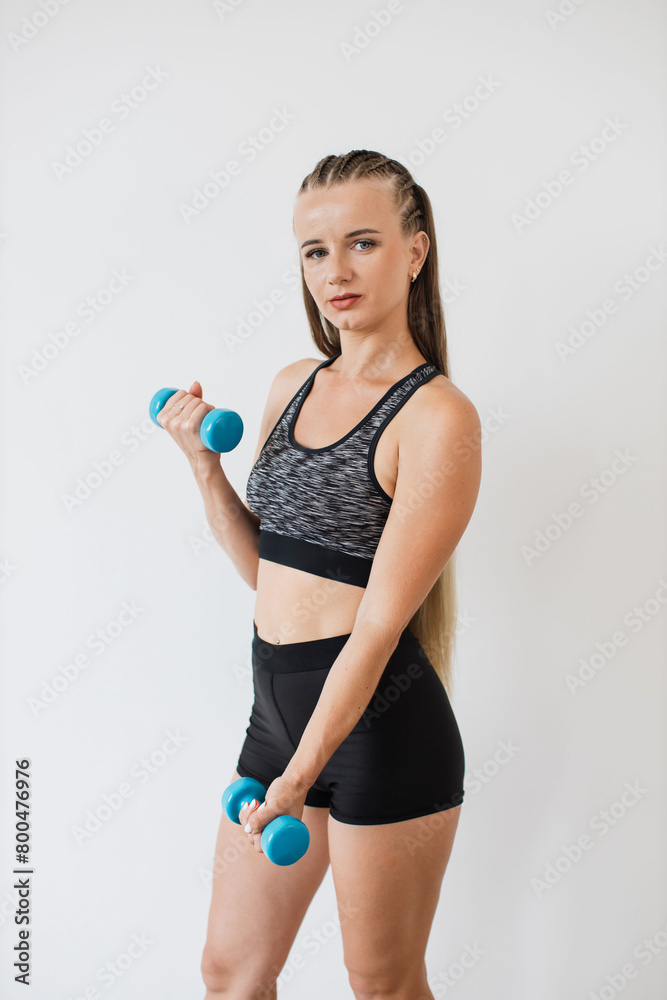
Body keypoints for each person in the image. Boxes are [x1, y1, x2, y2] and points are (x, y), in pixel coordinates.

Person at [158, 149, 482, 1000]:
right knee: (230, 974)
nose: (334, 271)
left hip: (381, 732)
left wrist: (299, 780)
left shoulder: (436, 415)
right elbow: (267, 570)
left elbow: (375, 626)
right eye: (313, 250)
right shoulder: (292, 383)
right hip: (275, 718)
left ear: (414, 252)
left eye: (363, 243)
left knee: (378, 984)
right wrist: (202, 465)